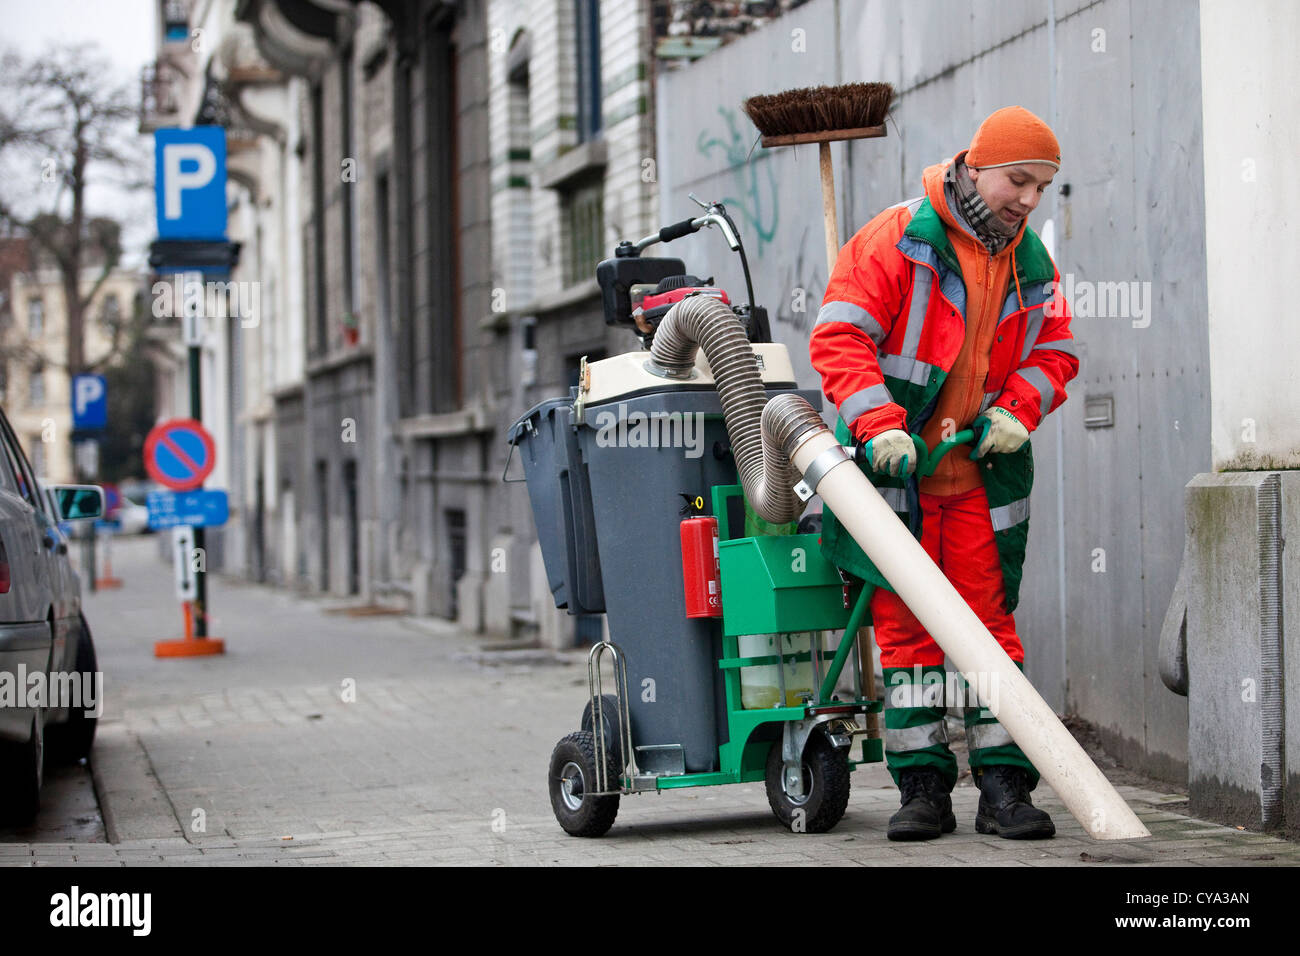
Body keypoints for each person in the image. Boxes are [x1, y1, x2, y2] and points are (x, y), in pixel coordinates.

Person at [809, 106, 1079, 841]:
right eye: (1017, 181)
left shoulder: (1029, 260)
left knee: (989, 635)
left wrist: (1020, 409)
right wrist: (879, 426)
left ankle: (1004, 792)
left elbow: (1054, 352)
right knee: (910, 635)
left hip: (976, 483)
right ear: (976, 166)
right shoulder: (897, 239)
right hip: (896, 481)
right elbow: (839, 339)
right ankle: (923, 791)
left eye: (1041, 188)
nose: (1027, 199)